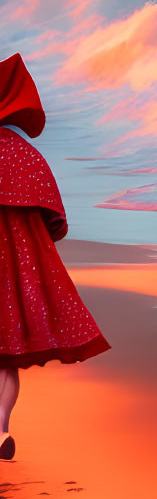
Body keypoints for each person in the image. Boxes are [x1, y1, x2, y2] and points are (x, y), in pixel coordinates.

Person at [0, 54, 109, 459]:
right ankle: (1, 427)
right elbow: (54, 219)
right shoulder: (27, 155)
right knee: (5, 358)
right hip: (16, 270)